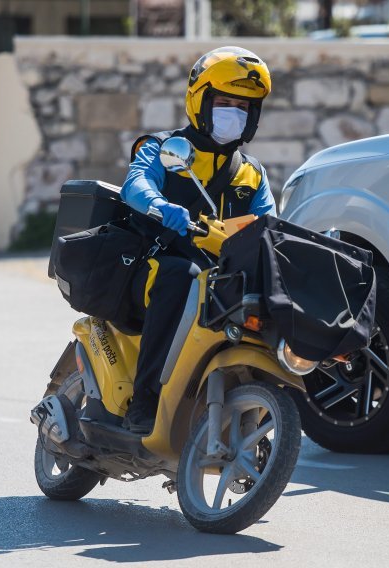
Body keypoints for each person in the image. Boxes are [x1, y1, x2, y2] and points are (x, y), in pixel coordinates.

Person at [120, 46, 277, 434]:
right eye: (224, 102)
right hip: (154, 265)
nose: (234, 114)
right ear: (199, 101)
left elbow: (271, 227)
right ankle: (145, 400)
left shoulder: (252, 175)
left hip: (220, 280)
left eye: (243, 106)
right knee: (181, 274)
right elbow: (134, 186)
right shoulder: (163, 147)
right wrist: (161, 206)